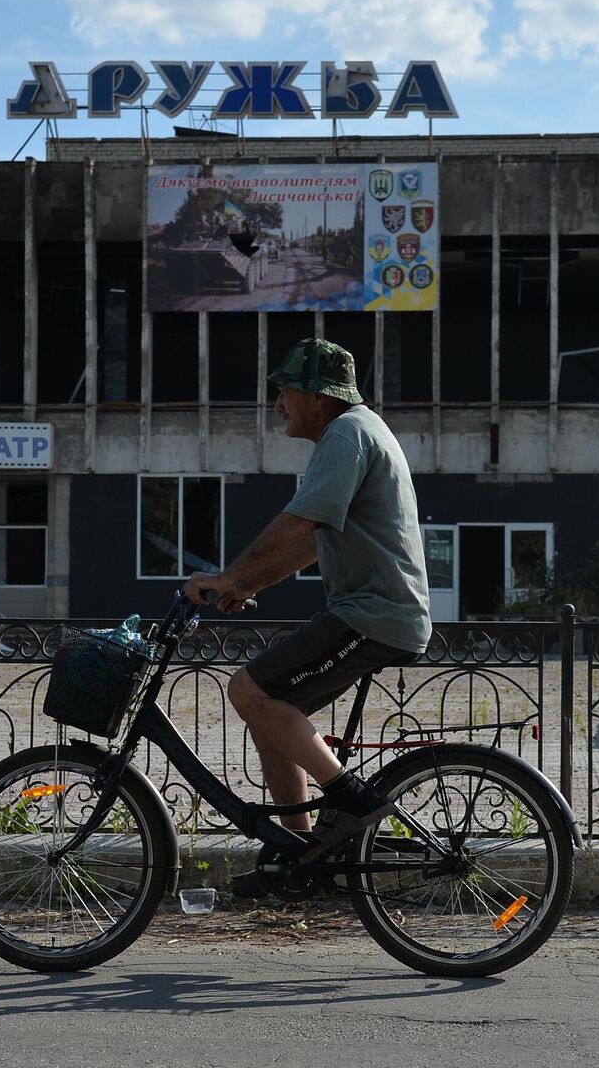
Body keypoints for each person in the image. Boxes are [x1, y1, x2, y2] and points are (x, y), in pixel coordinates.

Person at [182, 338, 431, 862]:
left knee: (247, 690)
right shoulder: (355, 432)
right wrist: (248, 584)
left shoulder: (346, 434)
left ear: (319, 397)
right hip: (375, 611)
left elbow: (297, 523)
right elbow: (311, 540)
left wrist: (228, 576)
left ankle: (352, 800)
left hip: (373, 613)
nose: (278, 405)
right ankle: (300, 853)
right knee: (271, 712)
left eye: (285, 392)